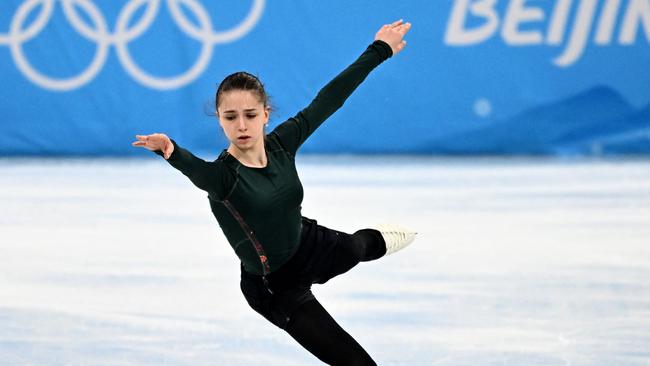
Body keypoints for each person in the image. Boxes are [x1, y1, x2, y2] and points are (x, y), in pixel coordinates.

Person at [132, 19, 415, 366]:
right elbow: (195, 169)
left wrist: (379, 50)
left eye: (250, 115)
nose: (241, 125)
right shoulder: (223, 177)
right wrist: (170, 150)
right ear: (219, 120)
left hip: (307, 242)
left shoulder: (283, 143)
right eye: (230, 117)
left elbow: (330, 99)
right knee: (356, 362)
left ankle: (386, 240)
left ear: (265, 115)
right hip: (276, 288)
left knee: (358, 246)